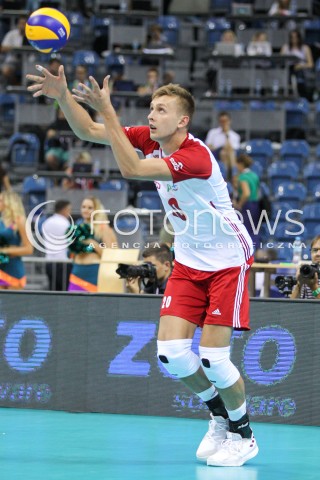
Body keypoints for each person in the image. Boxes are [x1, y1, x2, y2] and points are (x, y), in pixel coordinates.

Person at [26, 64, 259, 467]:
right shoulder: (149, 139)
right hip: (188, 258)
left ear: (182, 120)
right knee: (171, 353)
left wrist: (108, 109)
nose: (152, 115)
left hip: (226, 261)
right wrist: (64, 96)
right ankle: (219, 414)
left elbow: (131, 169)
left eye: (162, 110)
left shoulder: (196, 156)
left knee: (215, 360)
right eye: (151, 107)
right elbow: (89, 132)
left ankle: (244, 434)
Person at [67, 196, 117, 292]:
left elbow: (111, 255)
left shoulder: (103, 228)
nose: (86, 210)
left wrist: (92, 243)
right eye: (83, 207)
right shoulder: (77, 228)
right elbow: (71, 253)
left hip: (94, 272)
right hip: (77, 271)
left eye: (90, 208)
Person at [0, 191, 33, 289]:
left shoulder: (20, 220)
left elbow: (29, 249)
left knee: (12, 303)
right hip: (1, 267)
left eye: (1, 200)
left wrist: (4, 251)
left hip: (13, 269)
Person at [42, 199, 73, 291]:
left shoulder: (46, 223)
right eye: (69, 210)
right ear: (64, 210)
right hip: (63, 262)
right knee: (64, 290)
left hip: (50, 261)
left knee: (53, 290)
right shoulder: (65, 224)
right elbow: (70, 242)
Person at [233, 153, 261, 249]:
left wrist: (239, 205)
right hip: (255, 205)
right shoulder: (254, 175)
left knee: (246, 230)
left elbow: (246, 193)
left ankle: (248, 252)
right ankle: (255, 251)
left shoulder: (243, 177)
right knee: (254, 230)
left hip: (247, 206)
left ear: (241, 164)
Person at [205, 111, 240, 181]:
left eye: (225, 121)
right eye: (222, 121)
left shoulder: (235, 136)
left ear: (229, 121)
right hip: (215, 154)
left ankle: (228, 176)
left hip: (229, 156)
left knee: (227, 152)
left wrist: (227, 135)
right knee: (224, 152)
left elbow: (233, 149)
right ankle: (233, 176)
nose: (224, 123)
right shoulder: (213, 132)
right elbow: (207, 146)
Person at [280, 29, 314, 99]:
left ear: (299, 38)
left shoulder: (305, 48)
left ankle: (302, 94)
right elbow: (280, 60)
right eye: (292, 37)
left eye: (295, 37)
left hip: (301, 69)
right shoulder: (285, 47)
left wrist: (301, 66)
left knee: (298, 75)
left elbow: (310, 64)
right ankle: (287, 93)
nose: (294, 39)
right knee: (287, 72)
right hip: (288, 68)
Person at [290, 235, 320, 299]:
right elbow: (290, 305)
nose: (318, 254)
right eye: (315, 250)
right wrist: (299, 285)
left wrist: (314, 287)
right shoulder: (306, 271)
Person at [0, 15, 27, 86]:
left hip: (28, 61)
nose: (22, 26)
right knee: (6, 70)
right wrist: (13, 48)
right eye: (21, 23)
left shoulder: (32, 35)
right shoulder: (12, 34)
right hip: (13, 60)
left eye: (24, 24)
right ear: (18, 24)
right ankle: (15, 84)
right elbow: (2, 48)